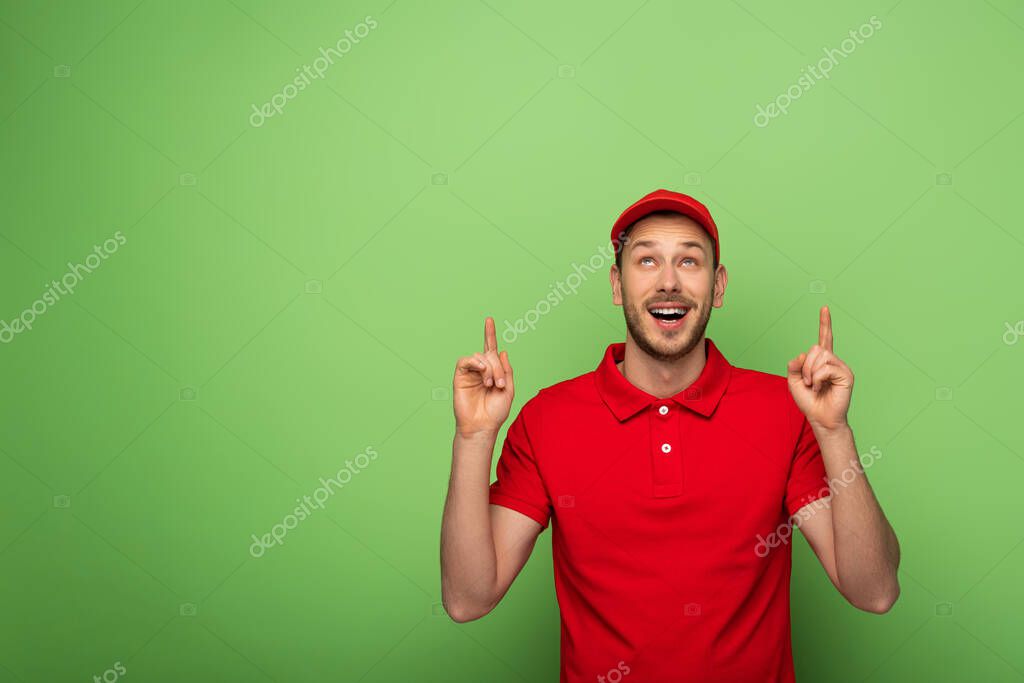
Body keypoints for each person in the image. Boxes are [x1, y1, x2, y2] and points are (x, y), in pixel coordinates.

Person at [440, 189, 900, 682]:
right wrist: (474, 438)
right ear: (617, 284)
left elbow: (873, 590)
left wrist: (833, 431)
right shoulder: (547, 419)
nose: (668, 281)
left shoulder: (785, 411)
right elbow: (468, 599)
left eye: (689, 260)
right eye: (646, 260)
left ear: (718, 286)